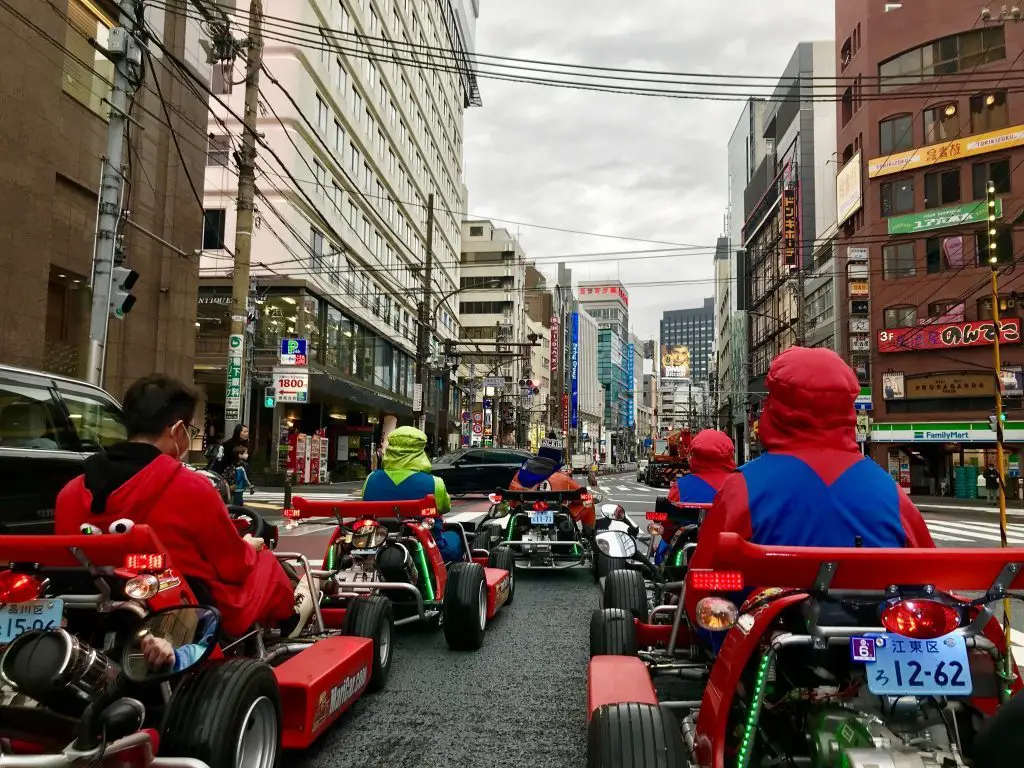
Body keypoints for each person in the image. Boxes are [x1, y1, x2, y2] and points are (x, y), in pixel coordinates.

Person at [54, 375, 313, 639]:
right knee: (264, 562)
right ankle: (288, 624)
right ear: (177, 430)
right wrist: (249, 547)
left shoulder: (70, 492)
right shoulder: (190, 487)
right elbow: (233, 566)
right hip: (189, 617)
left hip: (94, 617)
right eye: (190, 429)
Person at [692, 347, 934, 571]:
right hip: (872, 615)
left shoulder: (742, 487)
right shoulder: (889, 491)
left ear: (775, 408)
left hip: (765, 616)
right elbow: (929, 577)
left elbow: (701, 581)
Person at [361, 426, 464, 562]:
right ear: (420, 452)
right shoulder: (434, 483)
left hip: (378, 542)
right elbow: (445, 507)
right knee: (456, 536)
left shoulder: (371, 479)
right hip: (425, 547)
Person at [658, 429, 736, 564]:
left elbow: (667, 529)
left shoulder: (681, 486)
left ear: (694, 455)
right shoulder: (741, 483)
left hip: (688, 553)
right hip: (731, 550)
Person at [509, 438, 596, 536]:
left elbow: (511, 501)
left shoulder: (521, 474)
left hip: (524, 516)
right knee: (589, 503)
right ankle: (589, 537)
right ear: (558, 458)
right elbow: (581, 496)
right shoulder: (562, 478)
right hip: (557, 518)